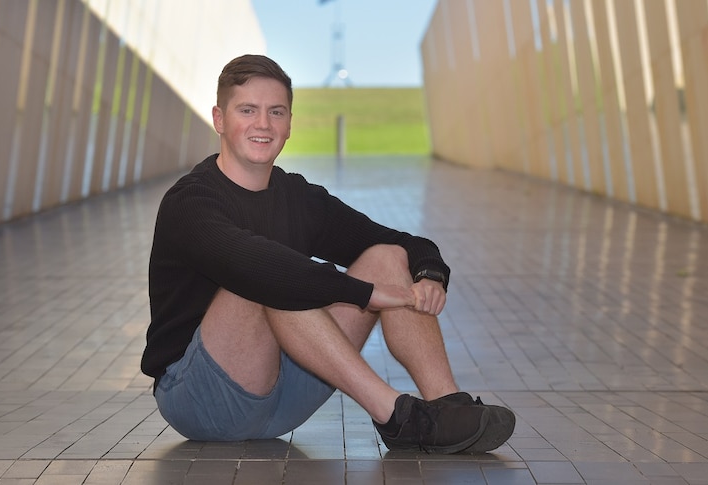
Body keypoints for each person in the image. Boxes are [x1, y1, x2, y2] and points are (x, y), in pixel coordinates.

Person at [141, 54, 515, 454]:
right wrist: (365, 294)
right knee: (272, 276)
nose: (263, 124)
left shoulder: (297, 196)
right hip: (201, 398)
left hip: (284, 392)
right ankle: (395, 415)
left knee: (386, 257)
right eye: (247, 110)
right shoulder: (191, 202)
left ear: (288, 124)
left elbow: (404, 243)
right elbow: (264, 269)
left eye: (276, 112)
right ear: (219, 119)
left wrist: (429, 275)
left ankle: (447, 407)